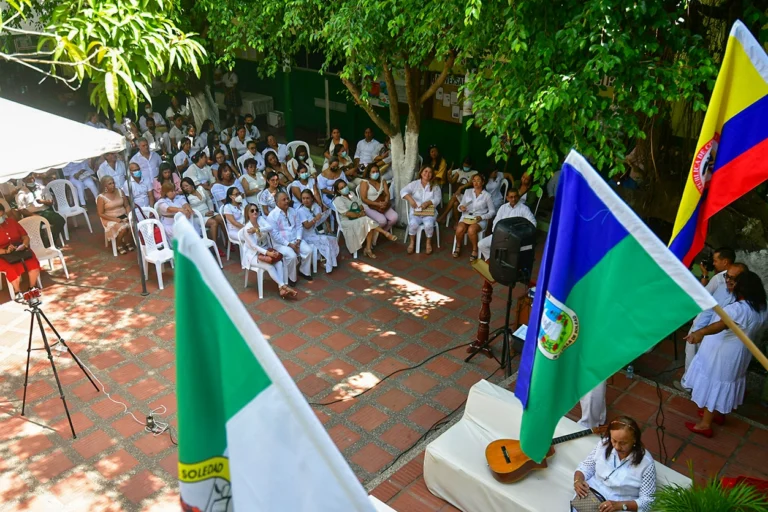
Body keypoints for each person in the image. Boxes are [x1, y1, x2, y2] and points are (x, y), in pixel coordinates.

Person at [681, 270, 768, 437]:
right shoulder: (762, 307)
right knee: (726, 381)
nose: (731, 284)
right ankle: (717, 413)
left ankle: (705, 424)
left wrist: (699, 333)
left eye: (735, 283)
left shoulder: (739, 309)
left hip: (721, 353)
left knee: (714, 383)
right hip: (739, 353)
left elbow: (721, 325)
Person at [675, 247, 738, 386]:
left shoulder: (720, 278)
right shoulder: (734, 279)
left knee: (692, 352)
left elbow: (702, 297)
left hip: (706, 323)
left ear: (725, 262)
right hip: (716, 326)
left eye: (716, 261)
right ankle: (695, 384)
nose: (713, 263)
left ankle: (687, 384)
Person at [573, 416, 656, 512]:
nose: (617, 446)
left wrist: (621, 505)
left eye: (623, 443)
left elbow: (648, 501)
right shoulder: (604, 444)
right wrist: (578, 481)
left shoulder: (646, 463)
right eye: (614, 441)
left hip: (620, 506)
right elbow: (586, 467)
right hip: (591, 496)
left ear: (634, 440)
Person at [241, 203, 297, 299]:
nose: (255, 212)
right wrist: (268, 253)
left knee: (279, 263)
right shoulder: (247, 229)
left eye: (256, 210)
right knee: (269, 267)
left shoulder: (260, 219)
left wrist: (257, 229)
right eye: (252, 211)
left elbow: (270, 228)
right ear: (247, 214)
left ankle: (281, 288)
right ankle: (284, 287)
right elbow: (254, 247)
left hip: (266, 249)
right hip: (253, 255)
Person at [333, 180, 394, 258]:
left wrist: (361, 212)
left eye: (345, 186)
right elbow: (348, 213)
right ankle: (385, 233)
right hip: (347, 221)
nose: (344, 188)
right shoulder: (338, 200)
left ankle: (368, 249)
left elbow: (360, 205)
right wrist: (359, 215)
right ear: (338, 191)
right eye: (342, 188)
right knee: (367, 221)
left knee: (367, 222)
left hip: (358, 216)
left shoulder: (351, 194)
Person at [478, 188, 536, 260]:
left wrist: (522, 233)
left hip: (515, 238)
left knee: (506, 251)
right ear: (507, 198)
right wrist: (496, 233)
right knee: (481, 244)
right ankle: (491, 261)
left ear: (518, 197)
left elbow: (533, 223)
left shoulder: (524, 208)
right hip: (500, 235)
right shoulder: (503, 207)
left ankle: (501, 264)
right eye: (511, 197)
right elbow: (496, 221)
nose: (514, 199)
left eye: (515, 196)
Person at [267, 192, 313, 283]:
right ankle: (291, 278)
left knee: (308, 251)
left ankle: (304, 271)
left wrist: (299, 239)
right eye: (284, 200)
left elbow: (299, 226)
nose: (287, 201)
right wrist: (289, 245)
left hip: (296, 240)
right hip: (281, 244)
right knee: (291, 256)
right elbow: (275, 235)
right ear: (277, 202)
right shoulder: (272, 216)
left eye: (287, 199)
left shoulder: (292, 211)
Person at [0, 203, 41, 295]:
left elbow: (25, 236)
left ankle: (32, 287)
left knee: (32, 263)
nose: (1, 218)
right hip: (2, 254)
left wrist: (24, 244)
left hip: (19, 249)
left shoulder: (11, 222)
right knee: (12, 268)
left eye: (2, 215)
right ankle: (17, 291)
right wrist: (6, 251)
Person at [453, 174, 496, 261]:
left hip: (479, 219)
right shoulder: (468, 192)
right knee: (459, 229)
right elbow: (461, 205)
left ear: (483, 182)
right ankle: (458, 246)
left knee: (471, 230)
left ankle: (475, 249)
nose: (476, 183)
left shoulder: (487, 196)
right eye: (474, 181)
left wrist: (482, 217)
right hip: (466, 216)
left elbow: (492, 212)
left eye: (478, 180)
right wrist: (461, 207)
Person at [401, 166, 441, 255]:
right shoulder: (414, 184)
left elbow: (438, 199)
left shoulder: (435, 186)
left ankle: (428, 243)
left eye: (430, 172)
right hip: (416, 211)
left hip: (429, 212)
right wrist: (410, 199)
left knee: (429, 225)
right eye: (425, 171)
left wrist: (428, 202)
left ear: (432, 175)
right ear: (421, 172)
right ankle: (412, 243)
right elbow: (403, 191)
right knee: (413, 224)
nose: (427, 174)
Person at [15, 174, 66, 244]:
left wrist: (43, 201)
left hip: (45, 211)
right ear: (24, 180)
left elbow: (50, 202)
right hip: (31, 214)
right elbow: (22, 209)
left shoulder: (42, 188)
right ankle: (43, 245)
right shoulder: (21, 193)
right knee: (36, 228)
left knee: (60, 220)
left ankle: (51, 241)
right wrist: (33, 215)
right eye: (28, 178)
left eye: (31, 176)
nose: (30, 179)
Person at [297, 190, 338, 273]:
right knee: (325, 239)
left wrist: (327, 224)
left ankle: (330, 260)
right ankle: (325, 261)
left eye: (308, 198)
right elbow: (307, 226)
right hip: (307, 235)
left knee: (333, 238)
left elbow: (321, 219)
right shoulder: (300, 211)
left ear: (312, 198)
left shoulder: (316, 206)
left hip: (316, 231)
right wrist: (315, 219)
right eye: (303, 198)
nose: (305, 200)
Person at [181, 177, 224, 254]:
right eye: (183, 187)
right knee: (214, 223)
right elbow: (191, 212)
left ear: (191, 184)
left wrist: (211, 210)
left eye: (186, 185)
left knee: (222, 218)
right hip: (197, 217)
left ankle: (228, 242)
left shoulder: (201, 188)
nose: (185, 188)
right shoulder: (186, 198)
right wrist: (204, 214)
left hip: (209, 212)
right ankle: (215, 246)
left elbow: (208, 200)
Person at [96, 176, 134, 254]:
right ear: (105, 186)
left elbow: (127, 205)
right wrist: (115, 219)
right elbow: (100, 213)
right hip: (110, 218)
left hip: (122, 215)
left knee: (132, 225)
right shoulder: (101, 197)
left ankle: (127, 242)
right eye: (110, 184)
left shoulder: (120, 191)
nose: (113, 185)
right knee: (123, 228)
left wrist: (129, 215)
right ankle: (118, 244)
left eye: (113, 183)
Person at [437, 156, 478, 225]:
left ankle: (444, 216)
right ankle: (456, 222)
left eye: (467, 166)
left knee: (455, 197)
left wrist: (460, 188)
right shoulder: (459, 171)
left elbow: (470, 183)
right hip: (460, 194)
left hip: (469, 196)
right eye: (464, 165)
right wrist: (448, 175)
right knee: (455, 203)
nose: (465, 167)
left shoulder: (474, 172)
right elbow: (451, 181)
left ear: (471, 165)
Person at [359, 164, 398, 236]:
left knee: (394, 217)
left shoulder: (382, 180)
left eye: (377, 171)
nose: (375, 173)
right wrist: (377, 204)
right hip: (369, 205)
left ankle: (381, 233)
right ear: (369, 173)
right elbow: (364, 199)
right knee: (382, 221)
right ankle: (377, 235)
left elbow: (387, 193)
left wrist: (385, 202)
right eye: (373, 172)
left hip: (382, 203)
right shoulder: (365, 182)